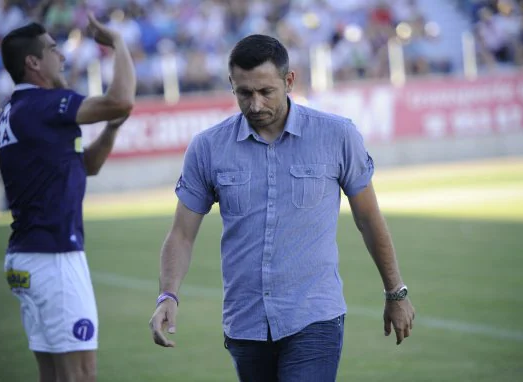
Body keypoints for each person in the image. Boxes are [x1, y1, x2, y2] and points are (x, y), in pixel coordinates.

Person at [149, 34, 415, 381]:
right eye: (244, 93)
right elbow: (181, 235)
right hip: (245, 323)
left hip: (314, 317)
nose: (255, 105)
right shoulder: (208, 148)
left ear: (289, 81)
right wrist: (167, 295)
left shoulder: (337, 136)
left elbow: (368, 218)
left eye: (265, 92)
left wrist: (395, 292)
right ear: (231, 85)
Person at [0, 13, 136, 382]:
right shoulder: (45, 105)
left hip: (27, 258)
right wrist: (118, 43)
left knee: (55, 376)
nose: (61, 57)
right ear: (33, 62)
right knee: (80, 376)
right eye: (54, 49)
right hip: (54, 258)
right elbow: (121, 100)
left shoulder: (17, 110)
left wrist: (110, 130)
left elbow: (87, 166)